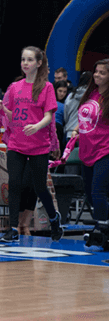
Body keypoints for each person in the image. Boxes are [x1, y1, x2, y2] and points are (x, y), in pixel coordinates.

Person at [0, 47, 62, 243]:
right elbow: (7, 115)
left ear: (39, 63)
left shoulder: (47, 87)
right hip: (16, 143)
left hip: (39, 145)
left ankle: (54, 218)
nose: (25, 63)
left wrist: (36, 126)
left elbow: (49, 116)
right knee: (14, 184)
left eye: (29, 60)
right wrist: (1, 112)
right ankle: (12, 228)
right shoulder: (14, 87)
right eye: (23, 59)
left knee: (39, 187)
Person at [71, 60, 109, 249]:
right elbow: (86, 115)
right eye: (96, 71)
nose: (97, 75)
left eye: (102, 73)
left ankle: (102, 230)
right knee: (90, 193)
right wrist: (77, 128)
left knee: (98, 191)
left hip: (105, 149)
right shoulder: (91, 93)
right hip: (87, 150)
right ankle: (103, 225)